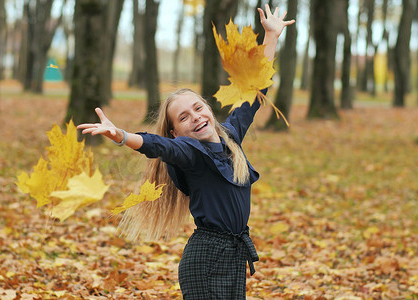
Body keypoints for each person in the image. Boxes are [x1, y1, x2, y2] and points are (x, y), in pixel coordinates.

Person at [78, 5, 294, 299]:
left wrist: (271, 36)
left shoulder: (230, 137)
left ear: (207, 108)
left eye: (197, 107)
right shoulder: (190, 151)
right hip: (206, 259)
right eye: (183, 117)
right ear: (175, 133)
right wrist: (121, 136)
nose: (194, 116)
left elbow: (256, 89)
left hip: (232, 255)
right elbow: (157, 145)